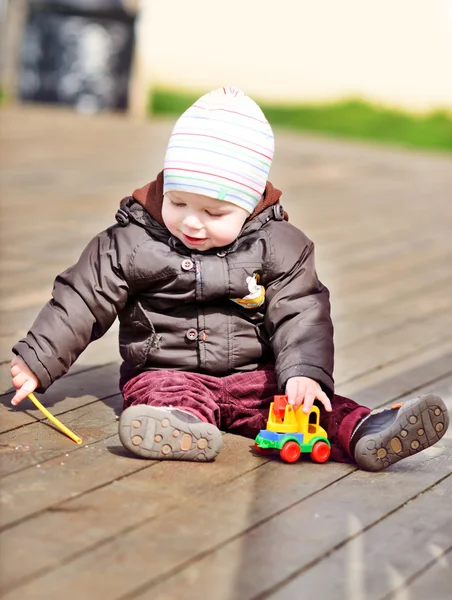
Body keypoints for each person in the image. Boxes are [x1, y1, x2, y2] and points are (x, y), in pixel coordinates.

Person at [10, 86, 449, 471]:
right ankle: (178, 429)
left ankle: (365, 429)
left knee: (302, 406)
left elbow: (301, 312)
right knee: (162, 394)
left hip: (252, 375)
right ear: (165, 185)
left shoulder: (278, 244)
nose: (192, 223)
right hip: (167, 368)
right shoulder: (130, 241)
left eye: (215, 213)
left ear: (251, 205)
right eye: (178, 203)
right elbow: (83, 297)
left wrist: (305, 373)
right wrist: (37, 359)